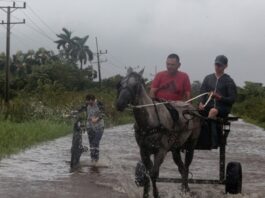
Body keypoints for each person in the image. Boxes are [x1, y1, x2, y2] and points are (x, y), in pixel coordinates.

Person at [198, 55, 237, 148]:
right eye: (216, 64)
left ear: (225, 66)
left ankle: (210, 139)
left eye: (220, 65)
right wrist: (201, 103)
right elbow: (202, 92)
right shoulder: (208, 78)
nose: (217, 67)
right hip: (208, 106)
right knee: (192, 111)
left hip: (223, 108)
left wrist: (219, 97)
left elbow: (232, 99)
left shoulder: (229, 81)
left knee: (213, 111)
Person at [85, 94, 105, 165]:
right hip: (90, 127)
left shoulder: (99, 104)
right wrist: (73, 113)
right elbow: (80, 109)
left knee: (95, 143)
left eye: (89, 102)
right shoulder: (87, 104)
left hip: (99, 127)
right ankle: (92, 160)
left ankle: (96, 161)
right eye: (87, 102)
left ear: (92, 100)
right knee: (91, 145)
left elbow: (103, 113)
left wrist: (97, 119)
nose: (88, 103)